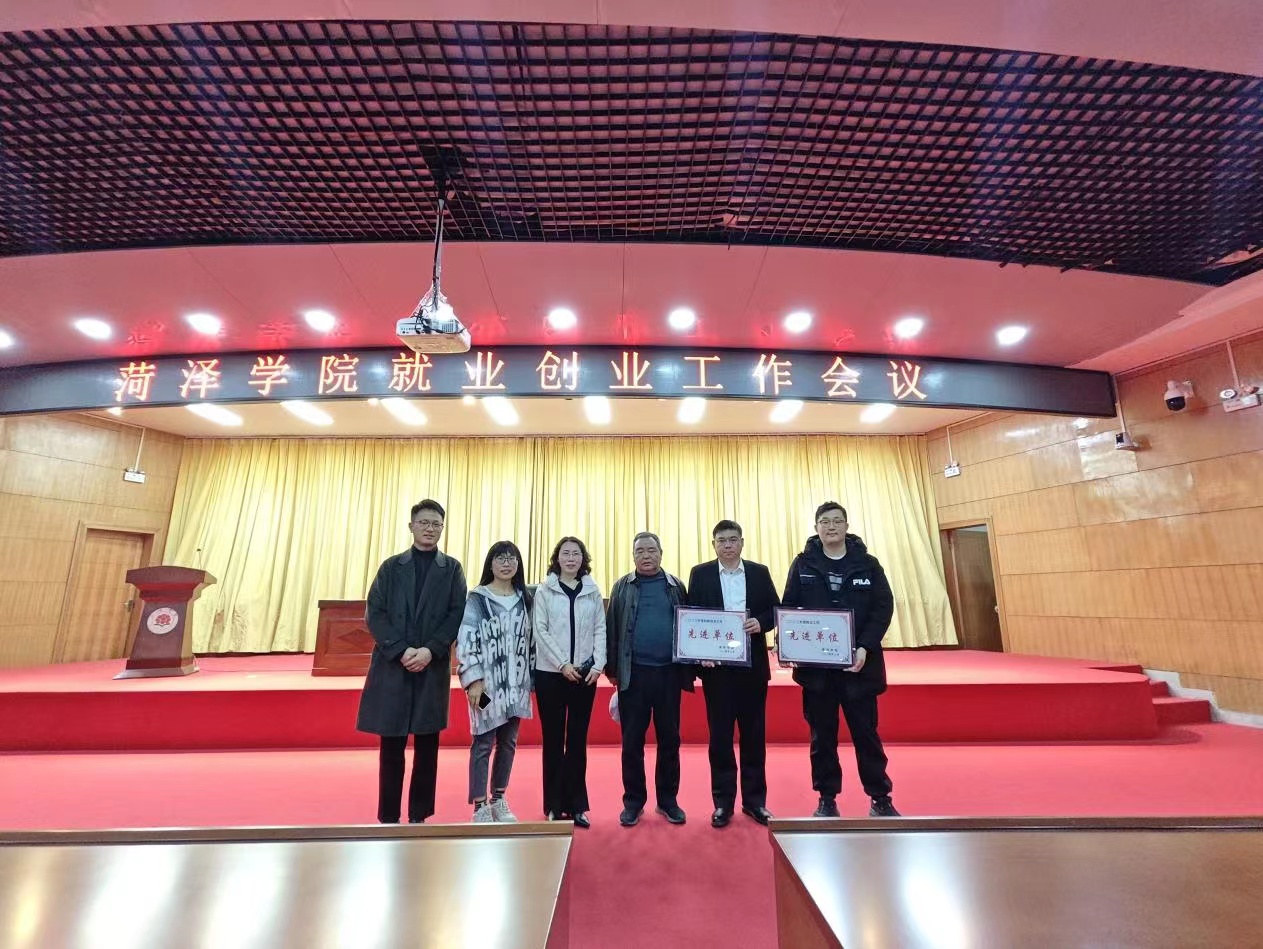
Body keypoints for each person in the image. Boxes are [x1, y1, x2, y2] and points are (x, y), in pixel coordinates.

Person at [782, 502, 901, 818]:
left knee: (867, 736)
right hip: (818, 674)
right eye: (825, 521)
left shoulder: (868, 564)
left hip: (859, 668)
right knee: (822, 738)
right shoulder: (803, 564)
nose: (831, 526)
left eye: (837, 521)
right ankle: (826, 798)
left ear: (847, 526)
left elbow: (883, 608)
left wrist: (864, 646)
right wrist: (792, 647)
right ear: (816, 527)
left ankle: (880, 797)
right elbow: (790, 607)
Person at [357, 499, 467, 824]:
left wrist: (431, 650)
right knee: (391, 746)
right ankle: (389, 818)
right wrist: (401, 650)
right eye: (424, 523)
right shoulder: (391, 567)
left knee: (427, 747)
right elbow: (375, 612)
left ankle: (419, 815)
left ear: (442, 529)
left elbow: (457, 613)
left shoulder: (452, 569)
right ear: (411, 526)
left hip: (431, 666)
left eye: (436, 524)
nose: (430, 529)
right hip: (394, 665)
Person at [687, 520, 781, 829]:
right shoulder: (700, 574)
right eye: (721, 540)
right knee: (720, 737)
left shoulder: (759, 572)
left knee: (754, 735)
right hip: (717, 669)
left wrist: (761, 623)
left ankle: (755, 802)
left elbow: (775, 610)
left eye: (732, 539)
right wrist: (700, 654)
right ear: (713, 545)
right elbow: (692, 615)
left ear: (742, 542)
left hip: (752, 667)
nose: (727, 545)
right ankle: (722, 803)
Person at [605, 531, 692, 827]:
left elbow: (690, 626)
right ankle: (633, 802)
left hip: (668, 674)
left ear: (661, 554)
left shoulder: (676, 586)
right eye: (640, 551)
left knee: (670, 739)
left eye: (651, 550)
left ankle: (668, 801)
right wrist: (613, 672)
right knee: (632, 742)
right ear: (633, 556)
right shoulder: (622, 587)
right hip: (634, 675)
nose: (646, 556)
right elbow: (612, 629)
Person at [457, 540, 535, 823]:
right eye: (500, 558)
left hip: (516, 685)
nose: (506, 563)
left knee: (508, 742)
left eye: (511, 558)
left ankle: (498, 798)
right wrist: (474, 680)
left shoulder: (525, 598)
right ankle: (480, 806)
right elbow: (466, 640)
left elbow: (533, 641)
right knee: (483, 741)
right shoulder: (478, 599)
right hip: (486, 686)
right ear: (490, 564)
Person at [533, 537, 606, 828]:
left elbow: (600, 628)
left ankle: (577, 805)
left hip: (584, 676)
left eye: (576, 553)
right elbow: (540, 630)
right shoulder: (545, 590)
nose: (571, 558)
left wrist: (598, 664)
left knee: (577, 741)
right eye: (566, 553)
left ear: (583, 558)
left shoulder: (592, 590)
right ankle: (553, 804)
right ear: (557, 558)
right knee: (553, 740)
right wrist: (562, 663)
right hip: (551, 674)